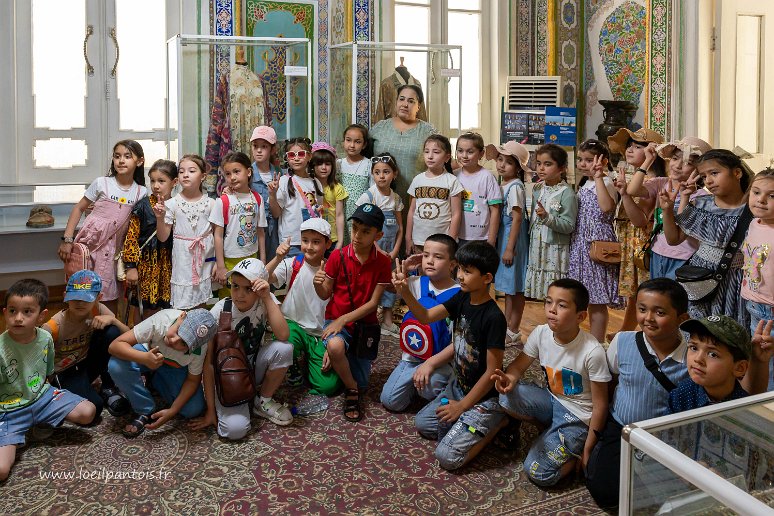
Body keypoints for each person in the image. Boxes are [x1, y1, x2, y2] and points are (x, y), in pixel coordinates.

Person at [393, 241, 507, 471]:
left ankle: (498, 421)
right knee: (423, 424)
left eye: (468, 271)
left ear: (486, 278)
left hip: (482, 397)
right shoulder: (462, 298)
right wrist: (404, 290)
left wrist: (463, 406)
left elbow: (492, 373)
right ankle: (467, 422)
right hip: (458, 385)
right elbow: (425, 316)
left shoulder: (494, 317)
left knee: (446, 456)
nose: (461, 276)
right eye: (460, 270)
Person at [492, 278, 611, 487]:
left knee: (537, 471)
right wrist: (508, 379)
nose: (552, 310)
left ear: (580, 316)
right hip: (552, 400)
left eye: (562, 305)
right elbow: (518, 367)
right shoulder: (541, 333)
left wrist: (589, 449)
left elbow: (600, 406)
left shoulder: (593, 351)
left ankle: (572, 450)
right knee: (506, 396)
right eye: (548, 302)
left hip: (578, 416)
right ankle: (551, 431)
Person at [585, 278, 691, 509]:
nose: (648, 318)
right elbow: (611, 381)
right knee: (605, 493)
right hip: (623, 429)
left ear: (682, 319)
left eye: (659, 312)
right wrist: (598, 433)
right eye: (642, 310)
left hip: (667, 437)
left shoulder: (693, 355)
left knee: (675, 497)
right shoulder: (623, 341)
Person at [1, 279, 96, 481]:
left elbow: (47, 372)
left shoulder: (45, 337)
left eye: (27, 312)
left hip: (42, 397)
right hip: (9, 411)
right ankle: (21, 429)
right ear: (4, 313)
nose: (18, 318)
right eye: (12, 311)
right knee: (1, 470)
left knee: (88, 412)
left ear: (40, 316)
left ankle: (38, 421)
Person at [191, 258, 292, 439]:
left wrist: (267, 296)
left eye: (248, 289)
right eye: (235, 286)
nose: (240, 294)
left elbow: (283, 334)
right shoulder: (219, 312)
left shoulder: (265, 301)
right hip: (227, 377)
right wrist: (211, 410)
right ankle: (240, 401)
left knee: (284, 349)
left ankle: (263, 401)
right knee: (235, 430)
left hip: (252, 367)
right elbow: (209, 366)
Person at [313, 204, 392, 422]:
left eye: (365, 231)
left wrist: (343, 320)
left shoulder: (383, 262)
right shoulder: (338, 256)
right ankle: (351, 389)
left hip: (363, 324)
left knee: (366, 381)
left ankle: (340, 355)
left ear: (378, 235)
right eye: (355, 228)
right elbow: (324, 294)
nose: (357, 236)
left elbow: (374, 303)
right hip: (337, 320)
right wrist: (318, 284)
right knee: (337, 346)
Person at [660, 149, 752, 329]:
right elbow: (673, 239)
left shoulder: (753, 209)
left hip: (738, 279)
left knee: (733, 329)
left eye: (714, 173)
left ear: (737, 173)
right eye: (704, 176)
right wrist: (667, 210)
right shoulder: (701, 205)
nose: (708, 181)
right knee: (700, 327)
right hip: (701, 278)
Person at [57, 140, 147, 312]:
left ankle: (106, 334)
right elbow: (79, 208)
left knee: (108, 298)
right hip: (88, 249)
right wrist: (67, 240)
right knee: (80, 295)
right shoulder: (101, 183)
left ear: (139, 161)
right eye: (117, 156)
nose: (121, 161)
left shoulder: (141, 192)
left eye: (127, 156)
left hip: (112, 253)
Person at [107, 308, 217, 437]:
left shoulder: (200, 348)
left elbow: (193, 380)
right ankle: (144, 408)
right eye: (177, 332)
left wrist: (172, 411)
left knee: (193, 409)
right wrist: (143, 358)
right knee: (116, 365)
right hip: (147, 353)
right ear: (181, 317)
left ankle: (156, 381)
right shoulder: (162, 319)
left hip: (174, 368)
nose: (173, 341)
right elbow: (114, 346)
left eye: (183, 343)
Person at [380, 234, 459, 412]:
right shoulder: (416, 283)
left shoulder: (459, 294)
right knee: (390, 401)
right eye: (426, 255)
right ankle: (416, 382)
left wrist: (430, 364)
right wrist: (406, 267)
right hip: (411, 358)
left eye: (438, 257)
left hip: (440, 361)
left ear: (452, 264)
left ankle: (448, 384)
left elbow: (458, 344)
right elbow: (387, 285)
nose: (430, 261)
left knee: (429, 389)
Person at [43, 270, 131, 419]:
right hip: (64, 372)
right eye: (75, 298)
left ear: (99, 298)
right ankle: (60, 397)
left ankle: (108, 388)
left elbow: (128, 335)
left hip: (86, 364)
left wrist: (113, 320)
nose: (80, 303)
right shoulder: (53, 326)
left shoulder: (99, 309)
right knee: (95, 407)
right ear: (65, 296)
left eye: (86, 299)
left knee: (112, 331)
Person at [266, 219, 340, 395]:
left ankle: (309, 359)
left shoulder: (334, 269)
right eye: (305, 240)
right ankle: (292, 363)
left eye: (316, 242)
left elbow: (340, 308)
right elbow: (263, 277)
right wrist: (277, 258)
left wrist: (332, 347)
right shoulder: (294, 263)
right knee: (287, 339)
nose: (309, 247)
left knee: (328, 387)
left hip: (321, 334)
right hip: (293, 326)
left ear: (327, 243)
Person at [625, 137, 712, 280]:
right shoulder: (661, 183)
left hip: (684, 256)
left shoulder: (701, 197)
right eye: (675, 158)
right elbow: (632, 190)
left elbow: (680, 233)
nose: (677, 165)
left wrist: (683, 197)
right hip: (658, 252)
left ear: (699, 170)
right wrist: (647, 161)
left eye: (687, 163)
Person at [607, 128, 665, 335]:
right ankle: (626, 329)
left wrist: (625, 195)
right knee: (633, 291)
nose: (630, 150)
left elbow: (640, 221)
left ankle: (643, 332)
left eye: (637, 147)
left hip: (642, 242)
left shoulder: (652, 182)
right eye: (629, 146)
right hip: (629, 239)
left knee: (643, 290)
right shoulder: (636, 177)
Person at [568, 139, 622, 343]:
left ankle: (598, 343)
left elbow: (606, 208)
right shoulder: (585, 182)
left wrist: (599, 177)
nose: (583, 164)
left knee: (597, 300)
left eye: (588, 160)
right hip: (581, 241)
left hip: (597, 242)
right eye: (580, 159)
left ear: (603, 160)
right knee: (584, 296)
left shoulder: (606, 181)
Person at [155, 154, 216, 310]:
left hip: (205, 259)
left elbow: (217, 237)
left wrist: (216, 262)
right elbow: (163, 237)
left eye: (191, 171)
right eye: (181, 171)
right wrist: (160, 218)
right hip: (183, 260)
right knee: (182, 306)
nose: (185, 175)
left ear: (203, 176)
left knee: (201, 304)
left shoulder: (211, 204)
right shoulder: (172, 203)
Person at [355, 153, 404, 336]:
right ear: (372, 175)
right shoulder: (368, 196)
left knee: (389, 282)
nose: (381, 176)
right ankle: (368, 318)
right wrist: (376, 249)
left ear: (394, 174)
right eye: (377, 172)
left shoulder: (396, 199)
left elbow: (399, 228)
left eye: (386, 172)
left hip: (391, 252)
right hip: (372, 250)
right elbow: (361, 226)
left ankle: (388, 320)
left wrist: (396, 250)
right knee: (371, 281)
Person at [122, 159, 177, 318]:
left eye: (161, 181)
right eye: (152, 181)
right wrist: (131, 266)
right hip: (146, 266)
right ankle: (139, 341)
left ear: (174, 182)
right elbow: (131, 237)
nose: (156, 186)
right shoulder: (143, 206)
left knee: (167, 308)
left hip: (169, 266)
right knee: (142, 307)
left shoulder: (177, 204)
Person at [487, 141, 530, 345]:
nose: (502, 165)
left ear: (518, 167)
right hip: (504, 238)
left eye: (509, 162)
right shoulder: (502, 184)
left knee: (515, 287)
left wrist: (509, 248)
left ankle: (513, 328)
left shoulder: (515, 187)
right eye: (500, 160)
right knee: (508, 287)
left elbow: (517, 218)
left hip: (512, 239)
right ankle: (507, 325)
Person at [524, 144, 578, 301]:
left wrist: (548, 218)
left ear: (561, 168)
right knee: (542, 295)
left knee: (556, 293)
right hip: (537, 246)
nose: (541, 168)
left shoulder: (567, 193)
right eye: (539, 163)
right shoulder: (537, 188)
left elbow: (569, 226)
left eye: (548, 164)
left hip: (554, 249)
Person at [210, 151, 268, 297]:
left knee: (251, 297)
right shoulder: (223, 201)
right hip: (229, 260)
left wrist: (262, 261)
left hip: (252, 257)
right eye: (228, 174)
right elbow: (217, 235)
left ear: (248, 172)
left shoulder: (257, 198)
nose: (232, 177)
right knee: (230, 300)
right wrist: (221, 266)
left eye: (236, 171)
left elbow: (260, 231)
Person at [668, 315, 750, 412]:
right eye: (694, 348)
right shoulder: (680, 395)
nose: (698, 359)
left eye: (712, 354)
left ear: (739, 368)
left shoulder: (746, 407)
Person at [370, 85, 436, 204]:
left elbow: (441, 161)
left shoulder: (428, 131)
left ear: (418, 106)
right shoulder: (380, 127)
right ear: (396, 102)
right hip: (381, 200)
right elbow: (363, 155)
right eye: (401, 99)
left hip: (416, 199)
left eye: (411, 101)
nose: (405, 104)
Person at [741, 168, 774, 391]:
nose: (761, 200)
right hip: (753, 305)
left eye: (772, 196)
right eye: (756, 192)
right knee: (759, 361)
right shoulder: (755, 223)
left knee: (769, 367)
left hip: (771, 310)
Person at [405, 134, 463, 254]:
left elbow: (456, 214)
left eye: (436, 152)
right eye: (427, 152)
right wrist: (408, 238)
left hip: (442, 242)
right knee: (421, 271)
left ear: (447, 157)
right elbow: (411, 211)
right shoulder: (417, 180)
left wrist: (450, 241)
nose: (430, 156)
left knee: (440, 271)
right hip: (419, 240)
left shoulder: (451, 181)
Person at [268, 137, 324, 258]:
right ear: (287, 158)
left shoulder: (316, 183)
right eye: (292, 155)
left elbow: (317, 209)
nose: (297, 158)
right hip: (291, 242)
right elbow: (276, 214)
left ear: (309, 156)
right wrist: (272, 194)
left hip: (312, 241)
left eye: (301, 154)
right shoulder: (283, 181)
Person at [455, 132, 501, 247]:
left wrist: (491, 240)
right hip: (457, 236)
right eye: (460, 151)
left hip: (481, 238)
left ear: (481, 154)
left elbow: (495, 211)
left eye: (470, 152)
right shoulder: (453, 176)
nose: (464, 156)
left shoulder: (487, 177)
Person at [248, 126, 283, 263]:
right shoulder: (247, 174)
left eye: (264, 146)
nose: (258, 150)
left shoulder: (281, 174)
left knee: (273, 266)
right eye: (255, 146)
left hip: (274, 230)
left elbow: (278, 212)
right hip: (252, 229)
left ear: (273, 149)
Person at [311, 142, 348, 253]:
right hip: (312, 238)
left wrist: (340, 242)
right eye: (319, 164)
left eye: (327, 164)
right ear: (312, 165)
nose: (323, 167)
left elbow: (339, 215)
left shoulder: (337, 188)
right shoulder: (308, 186)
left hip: (332, 239)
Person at [338, 124, 372, 242]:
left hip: (360, 216)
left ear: (364, 145)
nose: (352, 145)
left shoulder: (368, 165)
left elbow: (373, 192)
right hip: (339, 214)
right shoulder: (338, 164)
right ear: (343, 141)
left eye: (357, 142)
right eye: (348, 140)